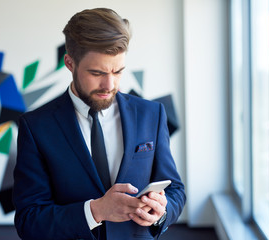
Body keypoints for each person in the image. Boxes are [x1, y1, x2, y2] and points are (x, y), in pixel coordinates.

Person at [13, 8, 186, 240]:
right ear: (69, 63)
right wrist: (96, 211)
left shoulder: (151, 113)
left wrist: (161, 212)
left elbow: (175, 189)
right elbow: (29, 221)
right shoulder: (36, 126)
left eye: (118, 71)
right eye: (97, 73)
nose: (109, 84)